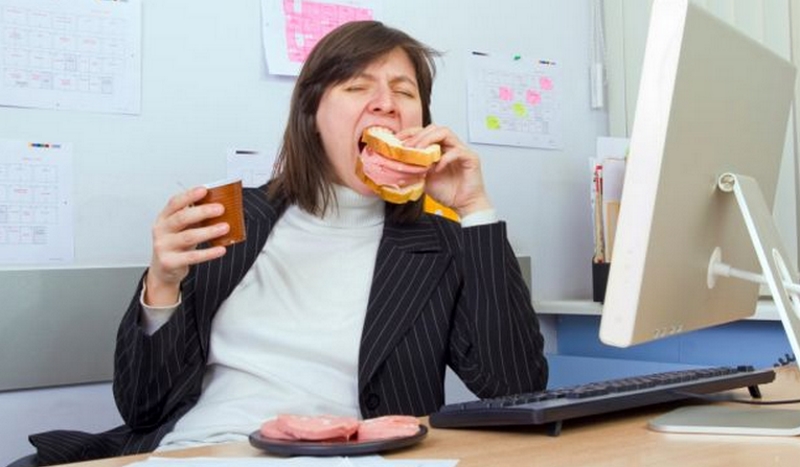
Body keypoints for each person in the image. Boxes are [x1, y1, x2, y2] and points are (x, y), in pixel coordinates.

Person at [21, 20, 548, 466]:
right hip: (207, 450)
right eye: (357, 87)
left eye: (404, 92)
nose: (385, 104)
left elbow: (513, 386)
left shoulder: (442, 245)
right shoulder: (228, 217)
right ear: (312, 115)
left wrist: (475, 209)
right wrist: (162, 283)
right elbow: (142, 406)